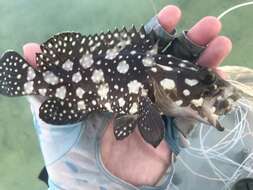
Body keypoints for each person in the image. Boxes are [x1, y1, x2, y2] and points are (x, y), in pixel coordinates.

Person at [23, 5, 232, 190]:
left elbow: (141, 125)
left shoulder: (158, 78)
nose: (209, 95)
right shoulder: (152, 94)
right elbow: (148, 127)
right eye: (207, 89)